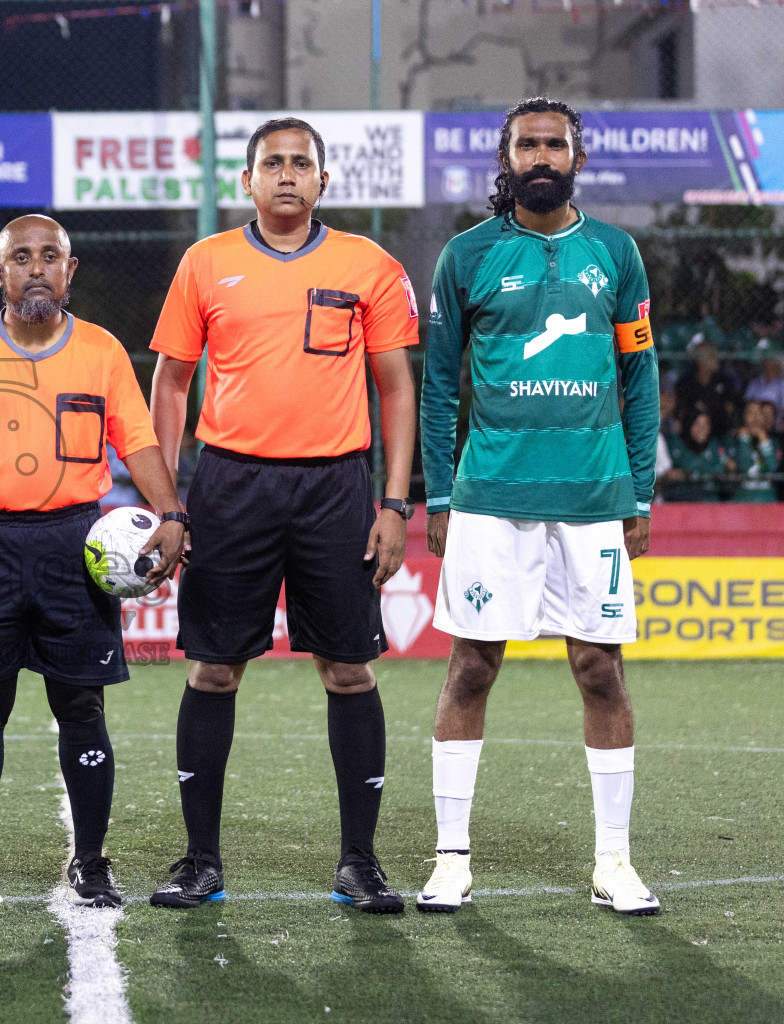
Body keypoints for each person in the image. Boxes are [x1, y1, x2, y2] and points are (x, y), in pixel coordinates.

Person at [147, 117, 419, 913]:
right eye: (274, 163)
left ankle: (359, 863)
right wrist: (168, 503)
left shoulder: (367, 264)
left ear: (324, 182)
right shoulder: (206, 263)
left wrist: (395, 502)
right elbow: (169, 385)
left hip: (336, 489)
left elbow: (396, 388)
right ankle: (200, 861)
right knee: (213, 668)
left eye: (303, 163)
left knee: (348, 669)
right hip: (230, 487)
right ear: (248, 181)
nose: (288, 175)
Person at [420, 98, 662, 916]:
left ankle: (614, 863)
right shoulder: (467, 256)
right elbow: (438, 390)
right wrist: (442, 493)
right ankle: (451, 856)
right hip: (492, 496)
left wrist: (639, 488)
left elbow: (640, 378)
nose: (542, 156)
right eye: (528, 144)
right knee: (472, 666)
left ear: (577, 159)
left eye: (555, 143)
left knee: (601, 669)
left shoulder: (615, 254)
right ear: (507, 158)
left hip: (594, 498)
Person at [0, 215, 187, 911]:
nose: (36, 268)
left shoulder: (101, 352)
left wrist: (174, 515)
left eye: (50, 257)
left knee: (82, 707)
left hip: (75, 547)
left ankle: (91, 862)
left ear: (71, 270)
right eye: (21, 258)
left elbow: (140, 445)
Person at [662, 411, 727, 503]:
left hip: (710, 501)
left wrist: (687, 473)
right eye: (697, 424)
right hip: (681, 501)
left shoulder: (715, 445)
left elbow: (720, 471)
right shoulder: (675, 444)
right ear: (689, 426)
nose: (702, 429)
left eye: (706, 424)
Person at [724, 400, 779, 503]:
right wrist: (744, 440)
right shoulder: (734, 440)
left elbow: (772, 468)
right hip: (742, 498)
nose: (755, 417)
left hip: (767, 498)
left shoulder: (774, 442)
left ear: (764, 417)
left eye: (759, 412)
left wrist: (764, 442)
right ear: (744, 416)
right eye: (750, 412)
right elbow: (744, 467)